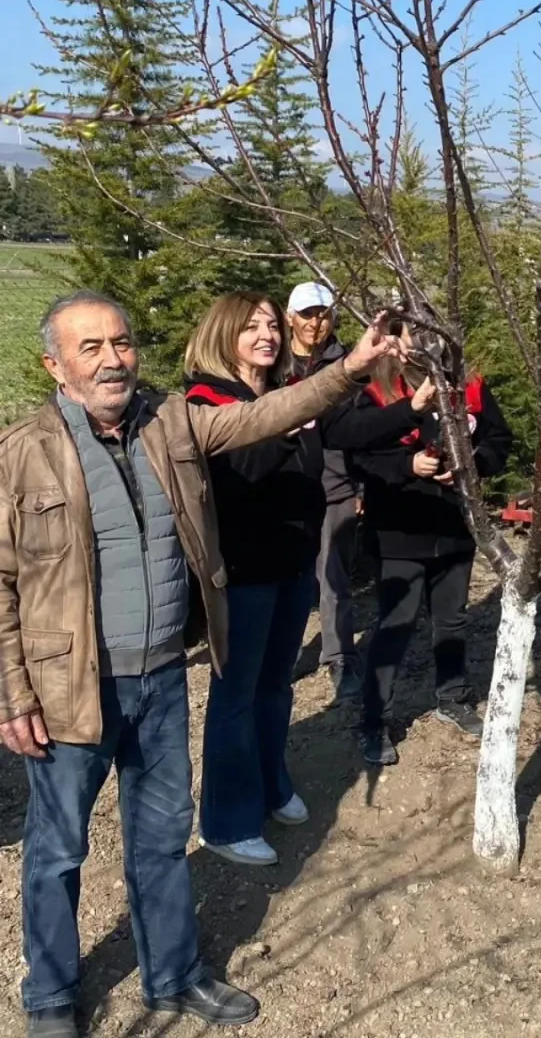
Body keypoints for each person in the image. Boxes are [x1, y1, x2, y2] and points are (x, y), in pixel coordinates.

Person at [0, 290, 399, 1037]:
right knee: (58, 850)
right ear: (55, 365)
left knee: (160, 840)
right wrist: (10, 694)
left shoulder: (168, 421)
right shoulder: (23, 452)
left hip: (159, 678)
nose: (113, 359)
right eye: (91, 348)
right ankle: (51, 994)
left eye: (121, 343)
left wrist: (350, 369)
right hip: (69, 690)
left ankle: (174, 974)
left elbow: (262, 416)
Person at [186, 292, 433, 866]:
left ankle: (271, 784)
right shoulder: (208, 399)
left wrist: (412, 409)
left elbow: (351, 431)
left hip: (292, 565)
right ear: (223, 333)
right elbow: (245, 463)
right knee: (234, 697)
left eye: (272, 325)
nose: (267, 335)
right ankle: (224, 819)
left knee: (276, 687)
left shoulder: (285, 391)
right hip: (243, 573)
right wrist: (295, 418)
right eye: (252, 327)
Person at [352, 334, 512, 764]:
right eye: (411, 335)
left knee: (452, 619)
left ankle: (453, 697)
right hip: (399, 528)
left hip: (454, 525)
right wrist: (407, 465)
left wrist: (472, 463)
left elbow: (499, 439)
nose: (421, 343)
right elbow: (358, 456)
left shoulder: (468, 384)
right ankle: (375, 720)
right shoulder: (376, 388)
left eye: (431, 333)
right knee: (395, 626)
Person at [286, 280, 362, 701]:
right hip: (288, 487)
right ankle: (286, 654)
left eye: (323, 313)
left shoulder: (348, 364)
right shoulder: (275, 364)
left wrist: (359, 488)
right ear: (290, 317)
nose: (316, 321)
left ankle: (338, 656)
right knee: (290, 578)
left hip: (336, 485)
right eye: (307, 313)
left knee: (334, 578)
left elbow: (363, 430)